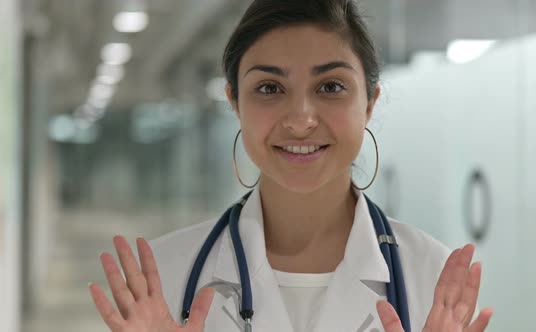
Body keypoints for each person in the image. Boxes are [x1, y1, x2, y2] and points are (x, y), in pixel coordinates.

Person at [88, 0, 494, 331]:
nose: (301, 120)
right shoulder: (166, 278)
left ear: (369, 103)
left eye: (330, 87)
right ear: (235, 103)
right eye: (269, 88)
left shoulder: (432, 278)